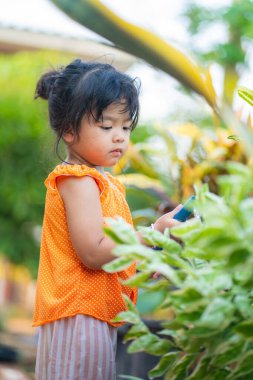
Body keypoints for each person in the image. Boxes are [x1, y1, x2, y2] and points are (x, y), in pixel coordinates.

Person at [33, 58, 182, 380]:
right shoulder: (78, 179)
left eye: (126, 127)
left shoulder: (102, 182)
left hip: (92, 311)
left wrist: (144, 259)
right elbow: (94, 252)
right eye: (106, 126)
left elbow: (111, 252)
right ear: (70, 130)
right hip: (79, 313)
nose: (119, 137)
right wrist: (154, 232)